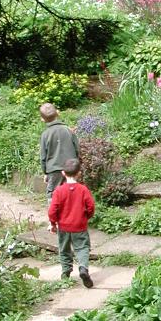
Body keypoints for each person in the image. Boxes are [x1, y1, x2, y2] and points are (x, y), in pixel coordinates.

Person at [48, 158, 95, 287]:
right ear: (79, 173)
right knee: (82, 248)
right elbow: (91, 207)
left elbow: (52, 210)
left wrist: (53, 223)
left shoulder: (59, 191)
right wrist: (86, 217)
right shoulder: (83, 189)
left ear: (63, 173)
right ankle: (83, 268)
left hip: (63, 227)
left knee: (64, 249)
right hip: (79, 226)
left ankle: (65, 273)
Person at [39, 102, 80, 200]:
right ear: (57, 113)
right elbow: (77, 149)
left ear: (42, 119)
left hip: (53, 170)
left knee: (53, 195)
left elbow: (43, 157)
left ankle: (54, 215)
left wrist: (46, 172)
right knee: (71, 196)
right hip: (71, 168)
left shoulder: (45, 134)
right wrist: (76, 165)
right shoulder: (68, 130)